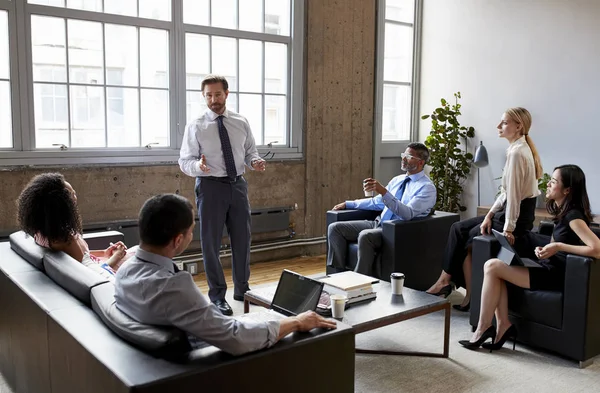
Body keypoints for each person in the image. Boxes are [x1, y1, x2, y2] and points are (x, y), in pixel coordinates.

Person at [114, 194, 337, 356]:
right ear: (177, 240)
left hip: (183, 342)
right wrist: (295, 323)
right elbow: (236, 338)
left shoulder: (124, 270)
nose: (193, 234)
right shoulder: (172, 287)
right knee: (295, 328)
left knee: (261, 320)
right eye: (192, 229)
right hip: (210, 362)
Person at [461, 165, 600, 350]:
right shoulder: (563, 213)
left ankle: (484, 329)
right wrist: (546, 249)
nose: (548, 184)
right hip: (546, 266)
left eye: (554, 181)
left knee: (492, 266)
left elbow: (597, 249)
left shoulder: (573, 216)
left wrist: (558, 246)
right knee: (497, 267)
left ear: (567, 190)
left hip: (555, 275)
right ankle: (502, 326)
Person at [426, 107, 543, 311]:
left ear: (519, 126)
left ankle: (455, 288)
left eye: (504, 122)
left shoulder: (517, 153)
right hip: (508, 211)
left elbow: (514, 196)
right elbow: (506, 193)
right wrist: (489, 214)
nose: (499, 126)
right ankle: (450, 284)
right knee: (458, 229)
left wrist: (508, 229)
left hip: (517, 216)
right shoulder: (516, 149)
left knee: (466, 238)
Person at [178, 75, 266, 316]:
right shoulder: (196, 126)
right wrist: (199, 167)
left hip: (238, 185)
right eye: (208, 95)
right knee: (210, 243)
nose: (213, 100)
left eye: (217, 94)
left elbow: (250, 152)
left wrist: (255, 162)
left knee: (242, 239)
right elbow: (184, 161)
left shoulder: (240, 122)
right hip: (210, 187)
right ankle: (217, 296)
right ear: (204, 96)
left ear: (227, 94)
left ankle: (243, 290)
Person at [327, 142, 437, 276]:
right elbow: (377, 202)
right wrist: (348, 204)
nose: (403, 159)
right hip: (379, 223)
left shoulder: (426, 188)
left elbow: (407, 214)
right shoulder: (398, 180)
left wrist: (384, 191)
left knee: (365, 236)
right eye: (403, 155)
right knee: (335, 228)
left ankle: (359, 281)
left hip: (397, 230)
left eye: (409, 156)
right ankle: (338, 275)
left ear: (421, 162)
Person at [16, 173, 128, 280]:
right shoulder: (67, 240)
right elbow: (88, 274)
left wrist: (103, 253)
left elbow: (79, 257)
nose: (75, 196)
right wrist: (116, 257)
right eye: (72, 195)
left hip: (95, 265)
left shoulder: (43, 233)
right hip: (102, 277)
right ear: (62, 205)